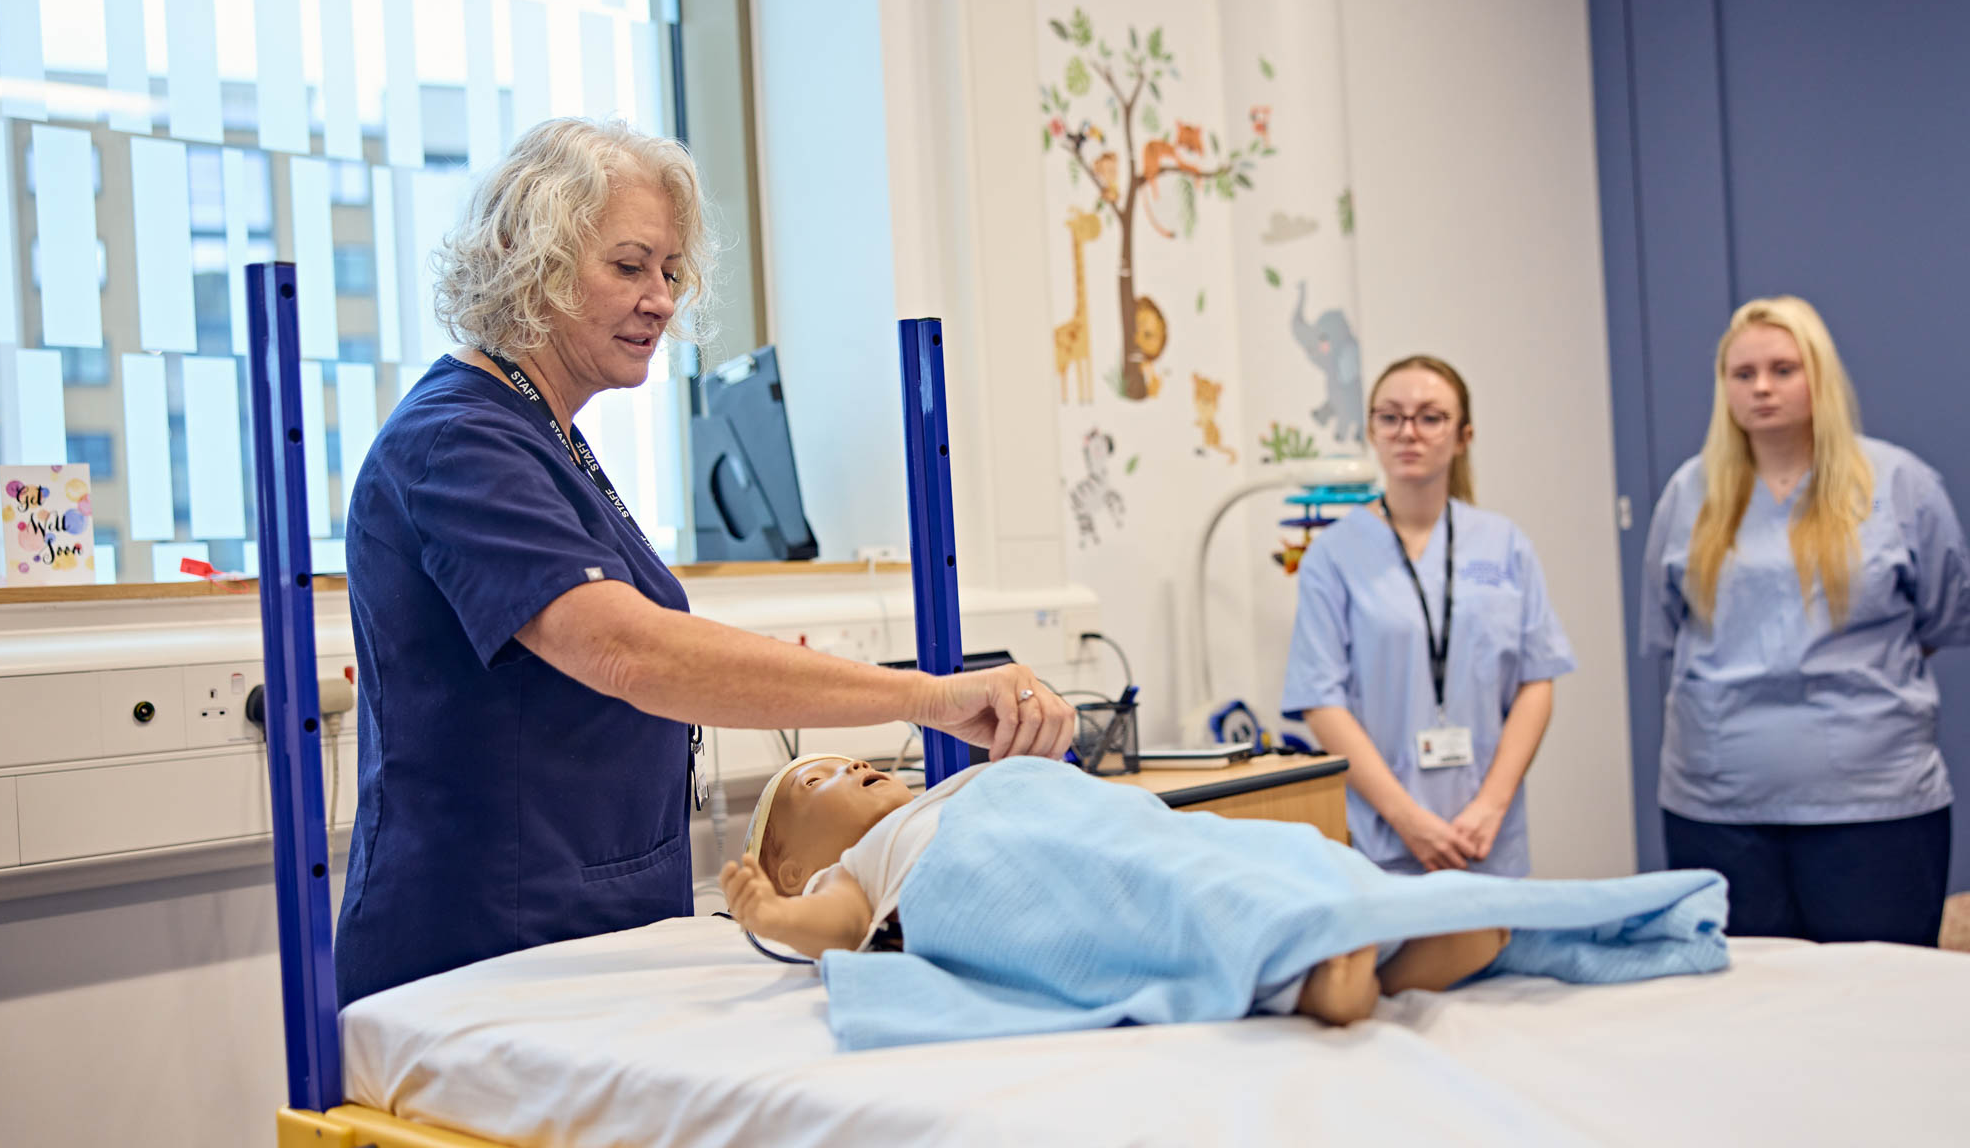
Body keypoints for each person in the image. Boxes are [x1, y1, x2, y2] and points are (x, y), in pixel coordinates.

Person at [335, 119, 1075, 1007]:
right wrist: (928, 696)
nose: (660, 300)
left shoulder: (545, 438)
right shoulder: (458, 443)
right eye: (629, 266)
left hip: (586, 925)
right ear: (527, 262)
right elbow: (628, 650)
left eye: (670, 272)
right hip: (485, 944)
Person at [722, 754, 1727, 1042]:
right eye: (816, 780)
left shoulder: (961, 788)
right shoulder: (867, 873)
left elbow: (1102, 818)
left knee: (1240, 853)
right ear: (800, 862)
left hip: (1095, 827)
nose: (852, 767)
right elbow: (830, 933)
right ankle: (1315, 969)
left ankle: (1380, 934)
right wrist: (770, 915)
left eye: (849, 758)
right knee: (1158, 905)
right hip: (1018, 876)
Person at [1640, 295, 1970, 945]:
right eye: (1743, 374)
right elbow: (1670, 626)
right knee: (1747, 992)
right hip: (1719, 803)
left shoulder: (1899, 484)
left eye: (1783, 370)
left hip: (1873, 805)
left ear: (1820, 375)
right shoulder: (1688, 494)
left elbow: (1938, 616)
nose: (1761, 387)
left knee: (1878, 991)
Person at [1280, 356, 1576, 876]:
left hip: (1487, 833)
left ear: (1464, 437)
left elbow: (1537, 680)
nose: (1408, 432)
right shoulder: (1334, 555)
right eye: (1390, 417)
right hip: (1386, 836)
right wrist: (1408, 820)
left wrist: (1491, 807)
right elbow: (1321, 701)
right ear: (1371, 431)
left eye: (1430, 417)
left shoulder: (1504, 544)